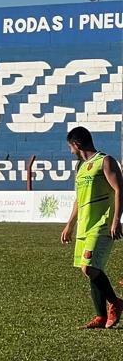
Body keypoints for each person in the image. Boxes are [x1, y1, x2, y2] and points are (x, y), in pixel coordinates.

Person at [61, 126, 123, 328]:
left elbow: (119, 190)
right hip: (84, 226)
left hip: (103, 224)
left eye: (70, 146)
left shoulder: (105, 161)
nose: (70, 150)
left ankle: (115, 303)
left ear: (76, 144)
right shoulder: (80, 167)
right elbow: (78, 199)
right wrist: (70, 225)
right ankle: (101, 316)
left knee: (90, 268)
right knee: (89, 269)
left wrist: (116, 220)